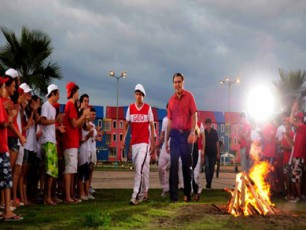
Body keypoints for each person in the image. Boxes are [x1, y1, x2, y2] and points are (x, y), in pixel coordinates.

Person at [165, 73, 197, 202]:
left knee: (186, 165)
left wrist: (193, 132)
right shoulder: (171, 100)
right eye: (175, 82)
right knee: (173, 165)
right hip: (175, 135)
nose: (177, 84)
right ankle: (173, 197)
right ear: (173, 84)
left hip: (186, 135)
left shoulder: (189, 96)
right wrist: (167, 140)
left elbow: (194, 116)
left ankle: (187, 195)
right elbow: (169, 122)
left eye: (179, 82)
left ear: (183, 82)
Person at [121, 84, 155, 205]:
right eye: (137, 93)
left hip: (144, 143)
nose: (138, 96)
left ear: (143, 96)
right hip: (134, 143)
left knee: (139, 168)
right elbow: (126, 125)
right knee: (142, 169)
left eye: (140, 94)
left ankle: (134, 195)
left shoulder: (148, 108)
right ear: (134, 95)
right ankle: (144, 193)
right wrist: (123, 139)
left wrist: (153, 143)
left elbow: (152, 125)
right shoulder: (130, 108)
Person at [62, 82, 90, 204]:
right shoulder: (70, 105)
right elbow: (74, 124)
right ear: (73, 92)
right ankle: (68, 196)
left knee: (72, 169)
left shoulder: (71, 105)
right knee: (69, 169)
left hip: (73, 142)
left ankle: (71, 194)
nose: (78, 94)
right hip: (70, 141)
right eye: (77, 92)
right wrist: (83, 116)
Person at [0, 76, 23, 221]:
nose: (14, 89)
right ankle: (7, 210)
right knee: (7, 179)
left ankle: (6, 208)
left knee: (5, 179)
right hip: (2, 147)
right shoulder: (1, 103)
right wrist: (11, 116)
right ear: (5, 86)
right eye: (13, 86)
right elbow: (4, 124)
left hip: (3, 145)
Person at [40, 84, 64, 205]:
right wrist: (56, 121)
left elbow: (49, 124)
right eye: (57, 94)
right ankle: (47, 197)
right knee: (50, 171)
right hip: (48, 141)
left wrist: (58, 127)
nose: (59, 96)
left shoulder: (53, 108)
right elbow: (42, 121)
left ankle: (50, 196)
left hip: (52, 140)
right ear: (52, 94)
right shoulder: (46, 106)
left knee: (53, 171)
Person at [289, 101, 306, 202]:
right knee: (295, 177)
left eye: (296, 118)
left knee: (296, 177)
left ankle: (299, 196)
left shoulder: (303, 127)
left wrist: (292, 110)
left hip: (299, 156)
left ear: (300, 119)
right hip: (297, 156)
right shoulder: (300, 129)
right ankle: (298, 195)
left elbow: (291, 121)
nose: (295, 119)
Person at [157, 104, 171, 197]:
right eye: (168, 107)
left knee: (176, 170)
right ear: (166, 108)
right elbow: (162, 134)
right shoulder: (165, 120)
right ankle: (165, 188)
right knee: (160, 167)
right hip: (164, 148)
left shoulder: (176, 119)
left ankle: (174, 189)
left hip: (174, 147)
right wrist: (158, 145)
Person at [204, 118, 220, 190]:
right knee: (207, 167)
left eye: (209, 124)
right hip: (206, 153)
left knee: (212, 168)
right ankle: (208, 182)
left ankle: (209, 183)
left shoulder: (214, 132)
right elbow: (202, 143)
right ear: (205, 125)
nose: (208, 126)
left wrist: (218, 153)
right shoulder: (204, 132)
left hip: (213, 153)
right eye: (207, 125)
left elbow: (217, 143)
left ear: (211, 124)